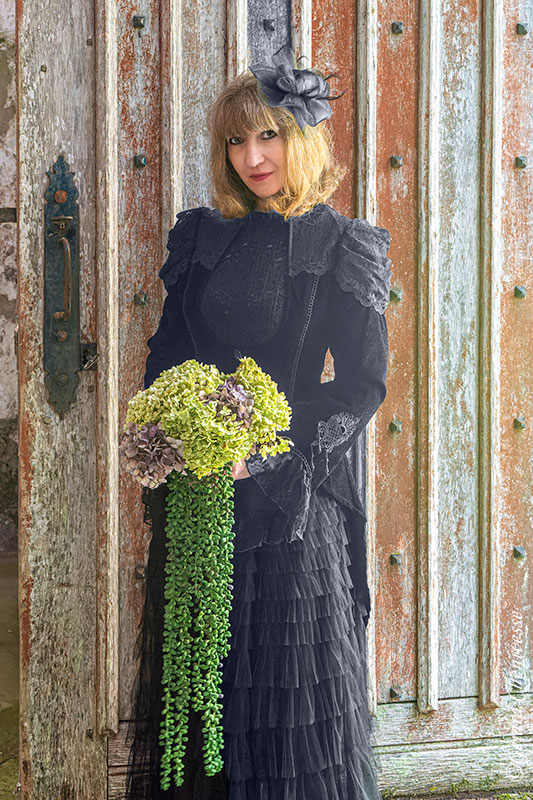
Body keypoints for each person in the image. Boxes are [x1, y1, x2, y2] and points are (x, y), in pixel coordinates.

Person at [124, 42, 392, 800]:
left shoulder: (342, 244)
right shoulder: (201, 237)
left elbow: (361, 387)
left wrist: (265, 451)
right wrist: (173, 429)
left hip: (290, 505)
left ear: (300, 137)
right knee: (202, 691)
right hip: (200, 494)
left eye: (267, 135)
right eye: (236, 140)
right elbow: (168, 353)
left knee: (286, 702)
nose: (251, 157)